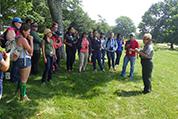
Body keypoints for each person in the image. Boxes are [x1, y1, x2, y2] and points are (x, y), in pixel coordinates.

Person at [15, 23, 33, 101]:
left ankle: (19, 93)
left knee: (21, 78)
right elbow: (31, 51)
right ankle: (23, 96)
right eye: (28, 31)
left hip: (20, 59)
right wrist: (31, 40)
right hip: (25, 60)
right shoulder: (23, 39)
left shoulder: (17, 37)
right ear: (23, 31)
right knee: (24, 80)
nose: (29, 33)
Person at [5, 17, 22, 83]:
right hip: (11, 49)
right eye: (19, 22)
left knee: (13, 64)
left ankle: (10, 78)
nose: (21, 24)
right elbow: (11, 40)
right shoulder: (11, 29)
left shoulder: (16, 30)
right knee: (12, 64)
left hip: (13, 49)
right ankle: (11, 79)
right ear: (15, 23)